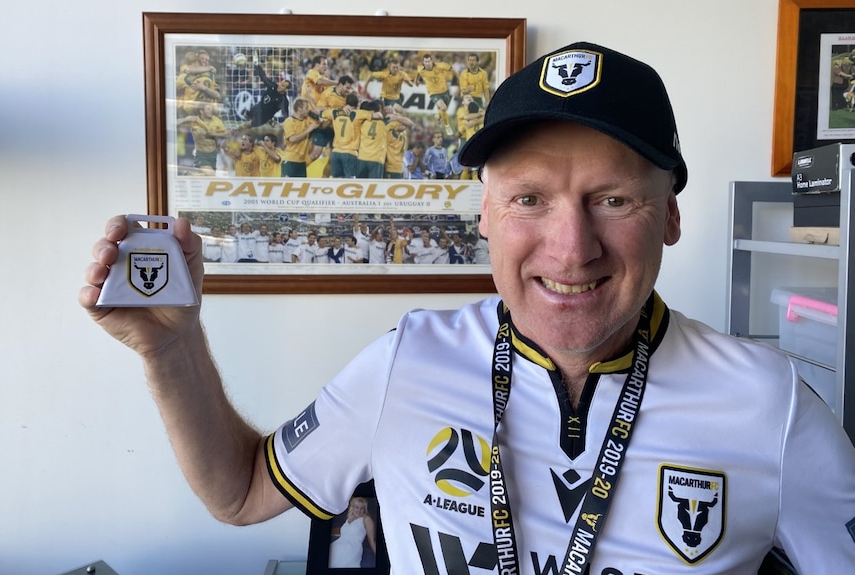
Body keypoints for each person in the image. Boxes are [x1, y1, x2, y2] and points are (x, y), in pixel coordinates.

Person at [80, 41, 855, 575]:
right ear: (483, 216)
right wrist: (168, 350)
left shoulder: (770, 401)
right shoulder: (405, 362)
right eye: (529, 199)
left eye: (613, 199)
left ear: (671, 217)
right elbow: (240, 491)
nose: (570, 247)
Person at [328, 496, 377, 568]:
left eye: (362, 508)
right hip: (337, 546)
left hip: (351, 550)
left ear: (364, 509)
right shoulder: (349, 518)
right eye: (357, 507)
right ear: (352, 508)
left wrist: (381, 561)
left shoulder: (366, 519)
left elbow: (371, 540)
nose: (359, 510)